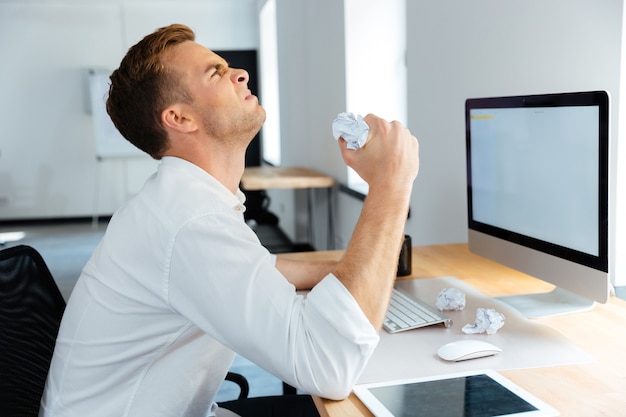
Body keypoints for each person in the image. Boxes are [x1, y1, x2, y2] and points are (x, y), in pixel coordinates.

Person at [40, 23, 419, 417]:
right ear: (180, 119)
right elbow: (328, 365)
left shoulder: (185, 201)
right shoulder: (190, 221)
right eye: (215, 73)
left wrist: (351, 272)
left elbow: (258, 268)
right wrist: (391, 182)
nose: (240, 73)